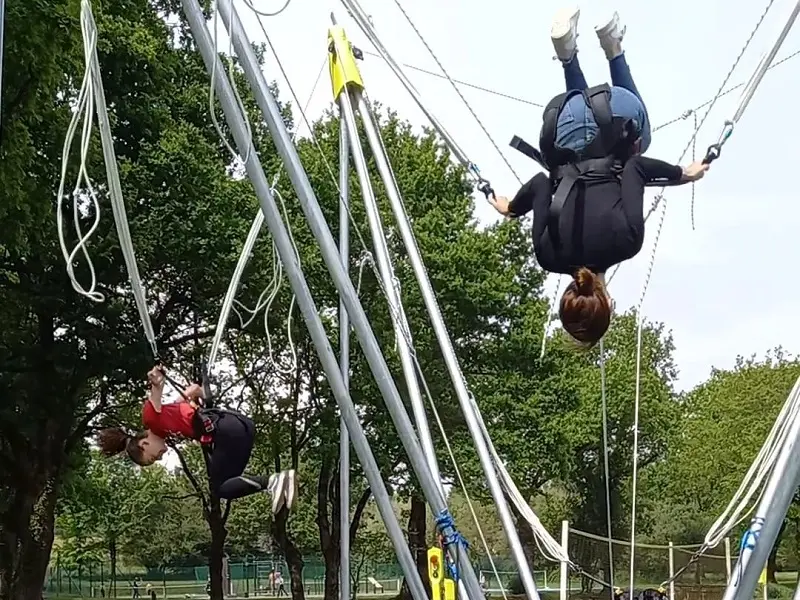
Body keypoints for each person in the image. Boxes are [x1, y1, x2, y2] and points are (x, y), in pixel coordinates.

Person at [491, 7, 709, 347]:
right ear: (566, 297)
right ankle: (568, 57)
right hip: (562, 121)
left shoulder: (627, 242)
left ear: (607, 302)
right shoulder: (548, 257)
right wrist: (512, 209)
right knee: (584, 122)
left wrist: (682, 174)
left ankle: (613, 46)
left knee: (636, 132)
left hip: (614, 111)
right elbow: (538, 184)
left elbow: (636, 168)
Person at [97, 367, 297, 506]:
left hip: (228, 430)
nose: (159, 457)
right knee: (227, 484)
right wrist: (196, 393)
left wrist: (156, 382)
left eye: (153, 457)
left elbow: (155, 396)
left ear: (144, 443)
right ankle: (277, 483)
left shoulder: (151, 420)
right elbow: (187, 396)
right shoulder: (167, 428)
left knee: (219, 489)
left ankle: (273, 482)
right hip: (240, 429)